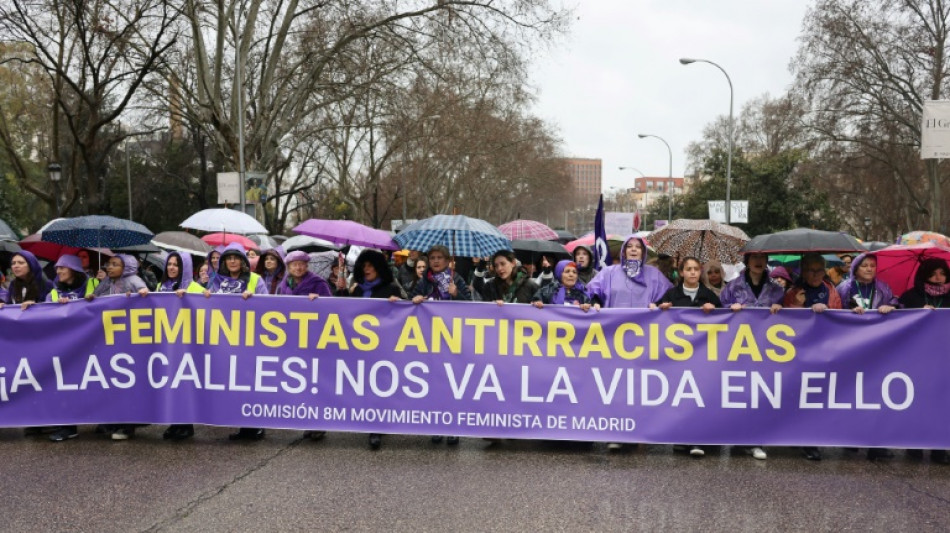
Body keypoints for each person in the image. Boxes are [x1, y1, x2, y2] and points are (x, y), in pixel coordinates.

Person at [586, 236, 672, 450]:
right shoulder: (609, 273)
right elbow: (591, 292)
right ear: (623, 252)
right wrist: (595, 303)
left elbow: (670, 297)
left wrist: (660, 304)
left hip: (643, 339)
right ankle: (616, 433)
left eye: (638, 248)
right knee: (616, 384)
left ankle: (639, 430)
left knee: (639, 386)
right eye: (630, 247)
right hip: (613, 339)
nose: (634, 250)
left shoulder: (654, 275)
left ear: (643, 253)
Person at [333, 249, 404, 449]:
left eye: (371, 266)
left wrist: (398, 304)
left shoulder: (391, 288)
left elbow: (401, 316)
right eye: (364, 266)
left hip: (382, 347)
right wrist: (341, 291)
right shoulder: (356, 289)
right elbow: (344, 313)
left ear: (379, 268)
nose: (367, 270)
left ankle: (376, 427)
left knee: (378, 384)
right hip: (358, 346)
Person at [718, 252, 785, 461]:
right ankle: (739, 438)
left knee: (761, 393)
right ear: (747, 262)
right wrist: (730, 308)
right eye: (754, 258)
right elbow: (719, 314)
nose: (758, 261)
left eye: (762, 258)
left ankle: (756, 439)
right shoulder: (733, 286)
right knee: (740, 392)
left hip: (767, 349)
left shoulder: (776, 288)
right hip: (739, 348)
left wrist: (782, 308)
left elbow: (789, 315)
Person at [656, 256, 721, 458]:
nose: (692, 272)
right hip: (678, 357)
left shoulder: (708, 295)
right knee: (681, 396)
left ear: (700, 272)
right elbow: (654, 314)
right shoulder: (671, 294)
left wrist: (716, 311)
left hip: (703, 357)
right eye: (688, 269)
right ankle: (682, 438)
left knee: (700, 396)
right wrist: (660, 309)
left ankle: (697, 438)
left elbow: (725, 318)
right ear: (681, 272)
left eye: (696, 269)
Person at [204, 244, 269, 441]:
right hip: (225, 340)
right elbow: (208, 307)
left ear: (243, 261)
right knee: (233, 383)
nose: (232, 261)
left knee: (249, 381)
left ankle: (255, 426)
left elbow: (269, 306)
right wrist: (205, 297)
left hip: (250, 339)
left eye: (236, 257)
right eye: (228, 258)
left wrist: (254, 299)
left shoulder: (256, 280)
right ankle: (242, 424)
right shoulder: (216, 281)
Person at [783, 253, 841, 461]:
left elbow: (839, 315)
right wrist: (799, 307)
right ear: (803, 271)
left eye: (819, 270)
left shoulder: (831, 291)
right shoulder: (793, 292)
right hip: (798, 352)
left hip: (823, 350)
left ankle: (811, 439)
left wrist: (827, 311)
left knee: (816, 396)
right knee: (798, 394)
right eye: (811, 270)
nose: (815, 274)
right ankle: (797, 435)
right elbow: (783, 322)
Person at [410, 245, 470, 445]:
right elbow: (410, 300)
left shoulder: (457, 279)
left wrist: (456, 294)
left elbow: (471, 307)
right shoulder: (423, 281)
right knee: (434, 382)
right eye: (432, 258)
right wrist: (415, 299)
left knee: (452, 384)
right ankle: (436, 425)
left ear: (447, 261)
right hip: (430, 340)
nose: (435, 261)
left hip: (453, 340)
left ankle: (453, 427)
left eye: (439, 258)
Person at [896, 257, 950, 464]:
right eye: (933, 273)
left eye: (942, 273)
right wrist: (918, 313)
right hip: (917, 358)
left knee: (941, 403)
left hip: (944, 357)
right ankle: (915, 444)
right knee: (917, 401)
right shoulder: (911, 297)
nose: (938, 278)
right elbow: (899, 322)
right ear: (924, 275)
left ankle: (939, 449)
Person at [150, 252, 205, 441]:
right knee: (170, 382)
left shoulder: (195, 287)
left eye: (177, 265)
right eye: (170, 264)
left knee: (184, 383)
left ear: (185, 268)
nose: (172, 268)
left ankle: (185, 424)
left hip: (187, 343)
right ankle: (175, 422)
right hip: (166, 342)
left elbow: (206, 309)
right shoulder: (161, 286)